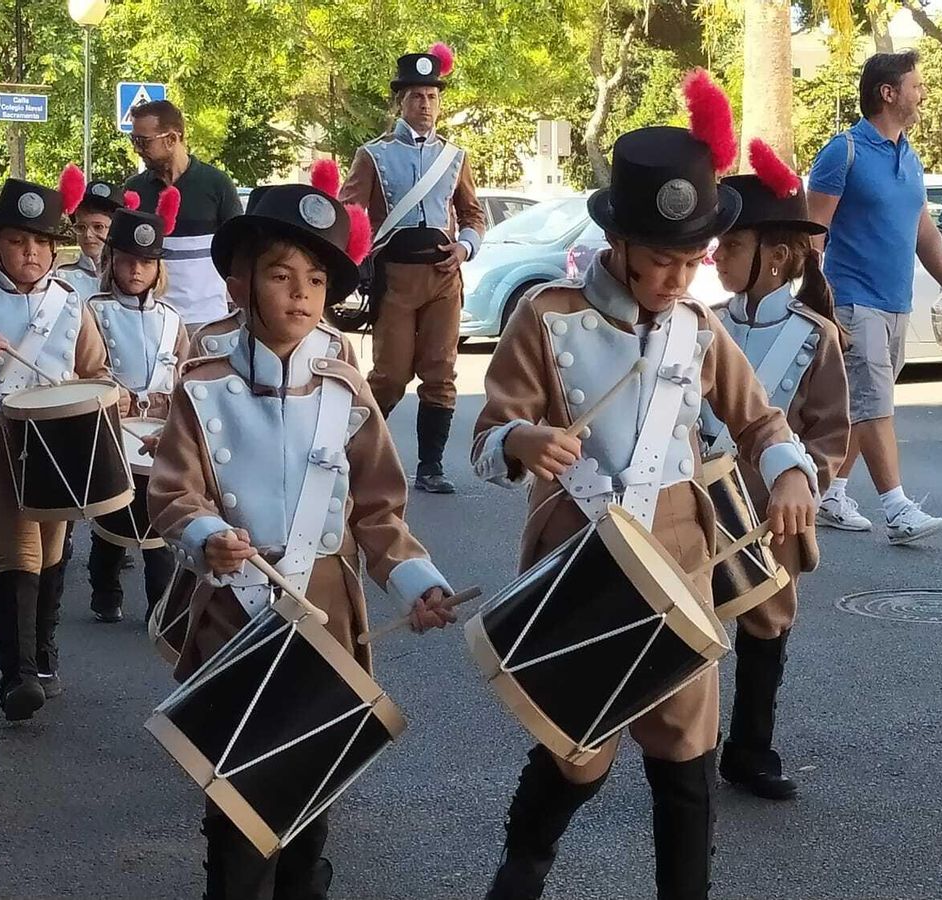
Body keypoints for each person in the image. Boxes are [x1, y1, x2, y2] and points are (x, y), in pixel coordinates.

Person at [471, 71, 819, 900]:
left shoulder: (699, 332)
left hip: (677, 556)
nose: (678, 279)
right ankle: (517, 880)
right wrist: (523, 439)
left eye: (692, 261)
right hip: (579, 552)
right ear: (618, 245)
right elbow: (488, 439)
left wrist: (790, 473)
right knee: (575, 751)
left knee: (685, 756)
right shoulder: (546, 317)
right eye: (662, 260)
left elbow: (761, 422)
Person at [148, 177, 458, 898]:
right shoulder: (202, 387)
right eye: (281, 275)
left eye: (316, 278)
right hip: (233, 615)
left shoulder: (346, 394)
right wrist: (205, 535)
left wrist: (418, 583)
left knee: (312, 797)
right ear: (241, 285)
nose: (300, 292)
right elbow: (172, 493)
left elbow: (379, 512)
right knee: (236, 811)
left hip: (324, 616)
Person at [704, 139, 850, 801]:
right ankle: (689, 749)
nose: (717, 256)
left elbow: (829, 433)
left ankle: (750, 748)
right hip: (697, 503)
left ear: (780, 257)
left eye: (732, 245)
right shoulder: (698, 326)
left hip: (771, 513)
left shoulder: (816, 335)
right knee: (693, 628)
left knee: (765, 628)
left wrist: (805, 480)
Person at [805, 49, 942, 545]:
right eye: (916, 85)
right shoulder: (845, 151)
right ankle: (897, 508)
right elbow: (813, 236)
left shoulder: (909, 155)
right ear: (888, 92)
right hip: (853, 299)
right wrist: (824, 305)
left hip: (896, 301)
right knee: (875, 406)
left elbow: (923, 229)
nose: (922, 94)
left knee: (860, 403)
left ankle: (829, 493)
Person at [0, 176, 119, 722]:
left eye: (40, 242)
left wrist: (112, 397)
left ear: (54, 248)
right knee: (19, 551)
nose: (29, 252)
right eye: (16, 241)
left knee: (53, 551)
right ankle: (18, 674)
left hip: (60, 441)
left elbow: (97, 372)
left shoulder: (72, 304)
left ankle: (44, 652)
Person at [339, 42, 487, 494]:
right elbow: (350, 214)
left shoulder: (455, 156)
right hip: (396, 278)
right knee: (390, 375)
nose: (426, 105)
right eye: (417, 96)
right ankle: (352, 455)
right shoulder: (374, 154)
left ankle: (431, 467)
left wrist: (464, 248)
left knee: (441, 373)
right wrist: (353, 264)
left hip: (444, 276)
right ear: (400, 101)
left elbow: (474, 214)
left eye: (433, 96)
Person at [86, 193, 190, 623]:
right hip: (115, 424)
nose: (135, 270)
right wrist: (108, 386)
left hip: (158, 427)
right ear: (114, 260)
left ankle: (158, 604)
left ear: (157, 268)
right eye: (128, 260)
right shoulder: (93, 310)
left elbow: (184, 374)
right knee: (111, 511)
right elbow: (86, 367)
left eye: (145, 263)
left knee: (158, 518)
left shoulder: (172, 317)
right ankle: (105, 589)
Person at [124, 99, 244, 327]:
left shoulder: (216, 184)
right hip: (152, 321)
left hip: (208, 320)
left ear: (172, 139)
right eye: (134, 140)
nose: (136, 149)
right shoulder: (134, 189)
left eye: (143, 141)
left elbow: (239, 251)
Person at [56, 174, 122, 300]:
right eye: (81, 227)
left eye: (98, 227)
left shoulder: (129, 276)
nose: (88, 235)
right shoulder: (62, 278)